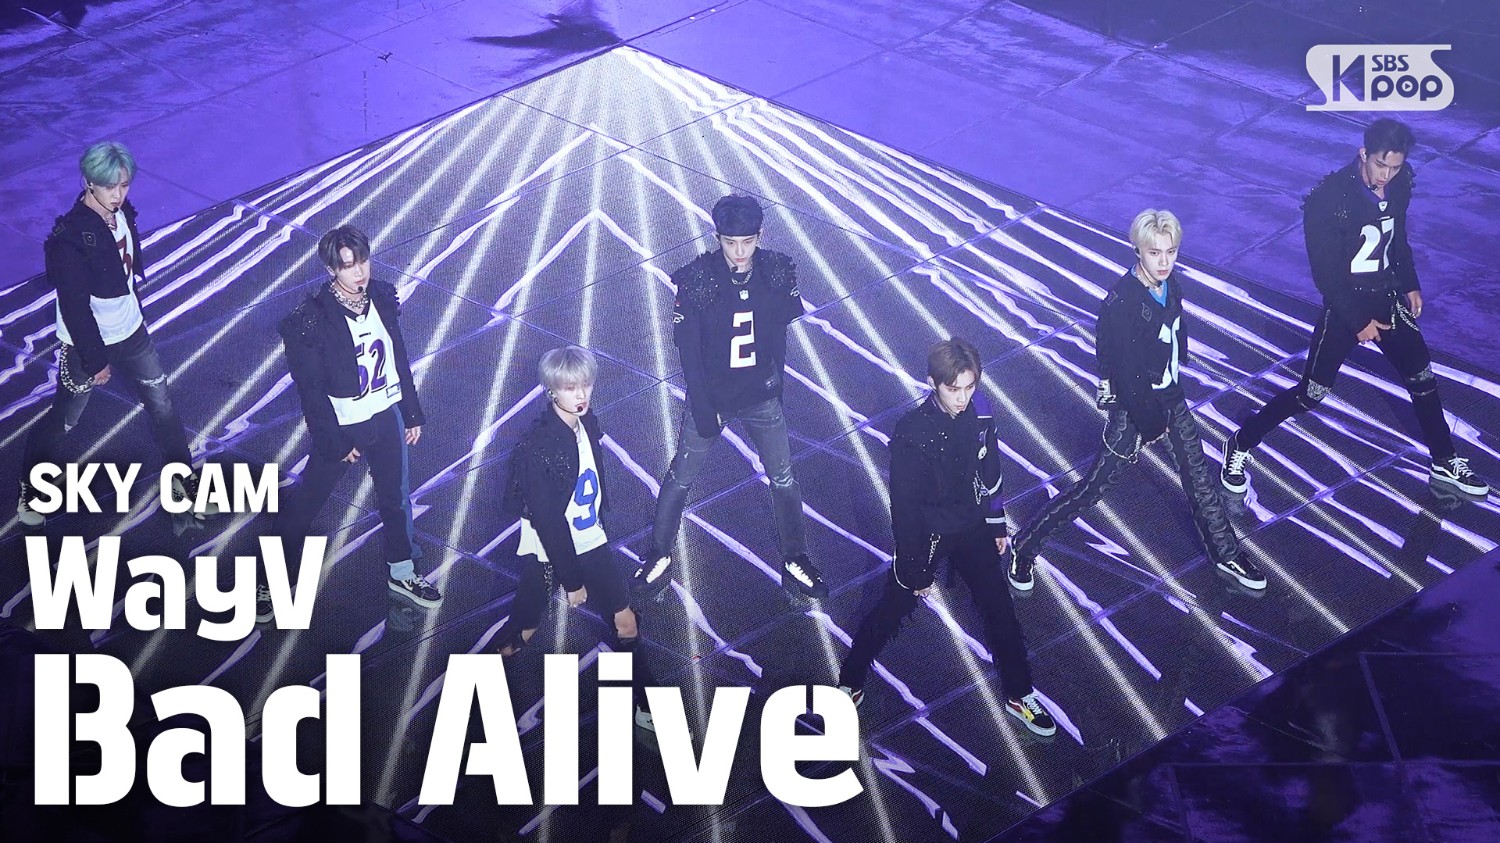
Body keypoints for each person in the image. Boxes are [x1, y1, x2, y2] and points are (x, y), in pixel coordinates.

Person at [1221, 119, 1488, 498]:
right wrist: (1358, 320)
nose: (1386, 175)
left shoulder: (1400, 183)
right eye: (1381, 165)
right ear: (1363, 153)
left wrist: (1410, 282)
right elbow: (1326, 274)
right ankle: (1242, 442)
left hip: (1388, 297)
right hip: (1346, 305)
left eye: (1395, 167)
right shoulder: (1329, 199)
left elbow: (1397, 238)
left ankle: (1444, 460)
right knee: (1311, 393)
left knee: (1423, 380)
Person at [1010, 210, 1267, 592]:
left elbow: (1172, 334)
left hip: (1170, 396)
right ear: (1138, 251)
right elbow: (1118, 367)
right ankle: (1025, 545)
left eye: (1171, 252)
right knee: (1093, 490)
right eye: (1155, 253)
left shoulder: (1169, 284)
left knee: (1199, 480)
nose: (1164, 262)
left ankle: (1226, 554)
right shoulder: (1122, 302)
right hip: (1134, 411)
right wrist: (1149, 421)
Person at [837, 338, 1056, 736]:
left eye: (969, 387)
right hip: (929, 532)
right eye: (953, 389)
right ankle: (850, 680)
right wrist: (915, 569)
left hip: (971, 523)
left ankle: (1020, 693)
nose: (962, 398)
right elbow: (904, 508)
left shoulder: (979, 411)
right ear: (932, 383)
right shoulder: (912, 432)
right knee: (892, 609)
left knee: (1000, 610)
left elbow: (989, 466)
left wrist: (995, 522)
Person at [632, 194, 827, 600]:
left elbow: (780, 331)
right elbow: (688, 349)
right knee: (681, 476)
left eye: (747, 242)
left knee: (784, 477)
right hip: (714, 397)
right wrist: (702, 405)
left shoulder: (776, 271)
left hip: (761, 395)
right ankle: (658, 555)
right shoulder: (698, 279)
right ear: (717, 237)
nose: (739, 252)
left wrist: (776, 382)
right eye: (730, 242)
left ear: (760, 236)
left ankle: (795, 558)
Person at [17, 141, 214, 528]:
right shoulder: (70, 239)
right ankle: (33, 489)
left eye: (123, 185)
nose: (118, 194)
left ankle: (182, 485)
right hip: (86, 344)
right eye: (109, 186)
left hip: (132, 332)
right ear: (88, 183)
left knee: (163, 407)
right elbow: (75, 308)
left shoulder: (122, 213)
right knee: (64, 420)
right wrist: (96, 360)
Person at [272, 225, 440, 613]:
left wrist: (410, 411)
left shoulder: (380, 296)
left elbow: (397, 357)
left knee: (395, 498)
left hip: (385, 413)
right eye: (348, 265)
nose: (359, 271)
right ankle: (270, 575)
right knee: (310, 499)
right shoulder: (311, 318)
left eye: (362, 260)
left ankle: (403, 571)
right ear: (331, 269)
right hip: (345, 422)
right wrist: (334, 440)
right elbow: (311, 391)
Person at [499, 346, 658, 730]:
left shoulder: (586, 423)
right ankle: (476, 694)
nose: (581, 394)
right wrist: (572, 581)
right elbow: (548, 522)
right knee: (523, 632)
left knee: (625, 623)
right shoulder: (538, 446)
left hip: (590, 539)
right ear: (552, 390)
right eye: (570, 388)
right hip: (551, 550)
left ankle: (647, 707)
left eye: (585, 385)